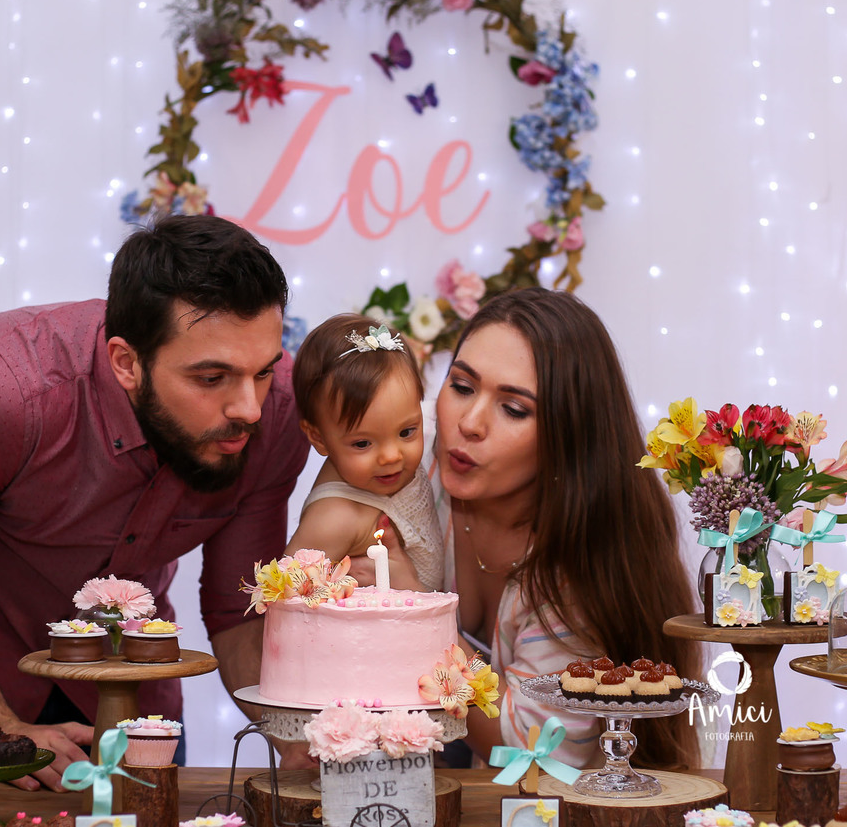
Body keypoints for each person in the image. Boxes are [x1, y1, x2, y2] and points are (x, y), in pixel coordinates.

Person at [0, 214, 310, 791]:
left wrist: (293, 738)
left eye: (263, 371)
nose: (249, 406)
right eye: (212, 377)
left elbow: (235, 607)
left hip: (137, 713)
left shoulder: (277, 411)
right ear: (126, 362)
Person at [435, 287, 700, 770]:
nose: (469, 422)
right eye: (461, 385)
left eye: (513, 408)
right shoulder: (408, 487)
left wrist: (413, 624)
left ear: (569, 435)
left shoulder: (577, 573)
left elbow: (532, 754)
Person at [287, 314, 443, 590]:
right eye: (362, 444)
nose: (392, 456)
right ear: (318, 437)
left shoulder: (385, 462)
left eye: (407, 432)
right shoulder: (334, 520)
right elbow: (281, 605)